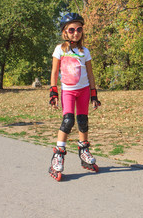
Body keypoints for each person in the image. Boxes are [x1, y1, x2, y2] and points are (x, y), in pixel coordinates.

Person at [48, 13, 101, 181]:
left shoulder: (85, 51)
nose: (75, 33)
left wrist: (94, 93)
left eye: (79, 29)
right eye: (71, 30)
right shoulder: (60, 49)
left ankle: (84, 152)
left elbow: (90, 73)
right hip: (68, 91)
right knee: (68, 120)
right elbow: (55, 72)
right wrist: (53, 91)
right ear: (65, 32)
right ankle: (58, 155)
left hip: (84, 90)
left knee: (83, 121)